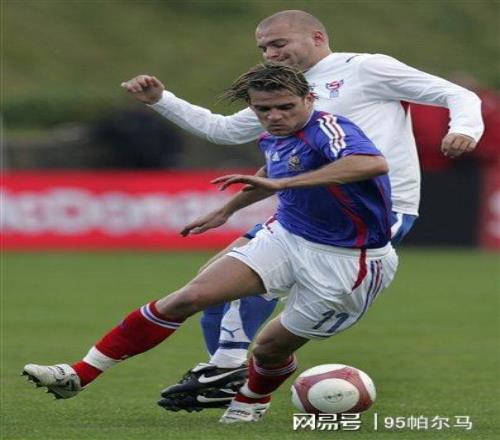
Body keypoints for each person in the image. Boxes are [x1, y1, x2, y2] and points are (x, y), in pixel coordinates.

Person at [120, 9, 484, 411]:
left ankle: (235, 373)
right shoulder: (282, 92)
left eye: (278, 44)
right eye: (263, 48)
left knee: (258, 288)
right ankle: (226, 373)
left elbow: (458, 94)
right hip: (308, 206)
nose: (270, 54)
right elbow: (222, 130)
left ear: (316, 37)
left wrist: (464, 128)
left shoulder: (365, 68)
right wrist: (162, 100)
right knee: (211, 286)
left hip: (376, 207)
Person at [23, 63, 398, 424]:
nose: (275, 116)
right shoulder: (273, 134)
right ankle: (79, 374)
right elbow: (274, 169)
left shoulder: (330, 128)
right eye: (264, 109)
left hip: (350, 261)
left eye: (286, 107)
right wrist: (226, 210)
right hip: (287, 235)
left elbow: (370, 163)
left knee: (269, 349)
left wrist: (282, 186)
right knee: (189, 297)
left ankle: (252, 399)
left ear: (309, 99)